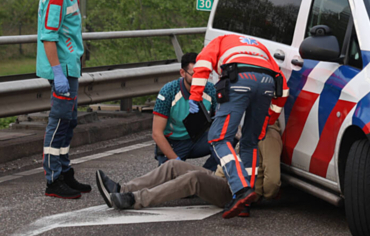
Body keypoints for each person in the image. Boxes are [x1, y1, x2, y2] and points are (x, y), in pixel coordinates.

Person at [189, 34, 287, 218]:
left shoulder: (220, 40)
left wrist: (195, 96)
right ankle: (245, 202)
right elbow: (283, 87)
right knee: (250, 143)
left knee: (219, 138)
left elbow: (202, 64)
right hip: (267, 84)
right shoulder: (260, 46)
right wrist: (270, 118)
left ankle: (240, 189)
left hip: (239, 79)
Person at [37, 0, 104, 199]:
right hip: (62, 68)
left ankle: (64, 172)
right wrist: (58, 72)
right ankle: (53, 180)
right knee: (59, 121)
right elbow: (49, 35)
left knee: (69, 121)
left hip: (68, 67)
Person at [152, 52, 218, 170]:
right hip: (174, 143)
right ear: (182, 73)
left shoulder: (210, 90)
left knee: (229, 136)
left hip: (198, 139)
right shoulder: (168, 92)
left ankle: (206, 175)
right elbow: (157, 133)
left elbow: (222, 121)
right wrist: (177, 162)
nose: (199, 79)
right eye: (194, 75)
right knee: (165, 179)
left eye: (202, 74)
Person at [96, 161, 236, 215]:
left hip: (234, 187)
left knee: (194, 178)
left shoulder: (257, 137)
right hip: (222, 174)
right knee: (173, 165)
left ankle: (134, 199)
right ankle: (122, 189)